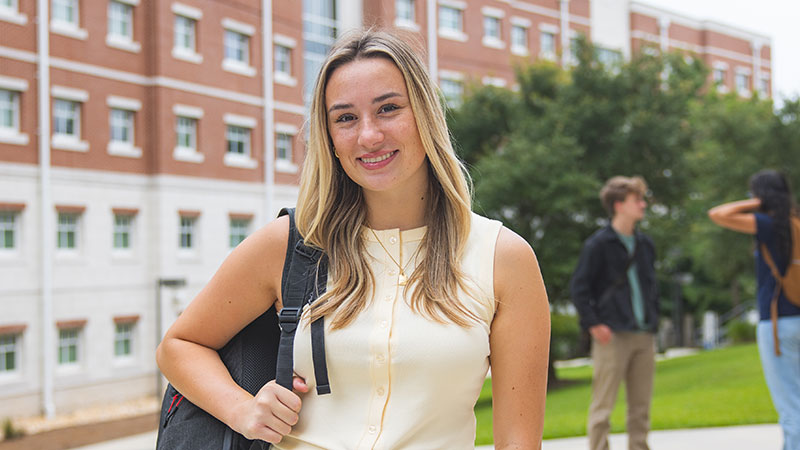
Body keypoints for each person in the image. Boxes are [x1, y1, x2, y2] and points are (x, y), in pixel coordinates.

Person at [156, 29, 550, 449]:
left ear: (425, 115)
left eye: (388, 109)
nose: (369, 136)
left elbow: (518, 443)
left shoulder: (502, 258)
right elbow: (180, 344)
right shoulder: (290, 244)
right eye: (345, 118)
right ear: (329, 137)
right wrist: (243, 410)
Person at [708, 169, 800, 450]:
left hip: (777, 325)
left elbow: (718, 214)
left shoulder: (767, 224)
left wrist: (757, 203)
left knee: (791, 407)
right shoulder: (796, 223)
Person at [570, 176, 659, 450]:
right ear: (619, 205)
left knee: (641, 408)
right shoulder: (598, 244)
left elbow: (650, 286)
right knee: (603, 407)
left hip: (644, 335)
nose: (643, 205)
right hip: (612, 336)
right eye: (637, 200)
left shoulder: (646, 245)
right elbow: (579, 288)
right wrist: (593, 324)